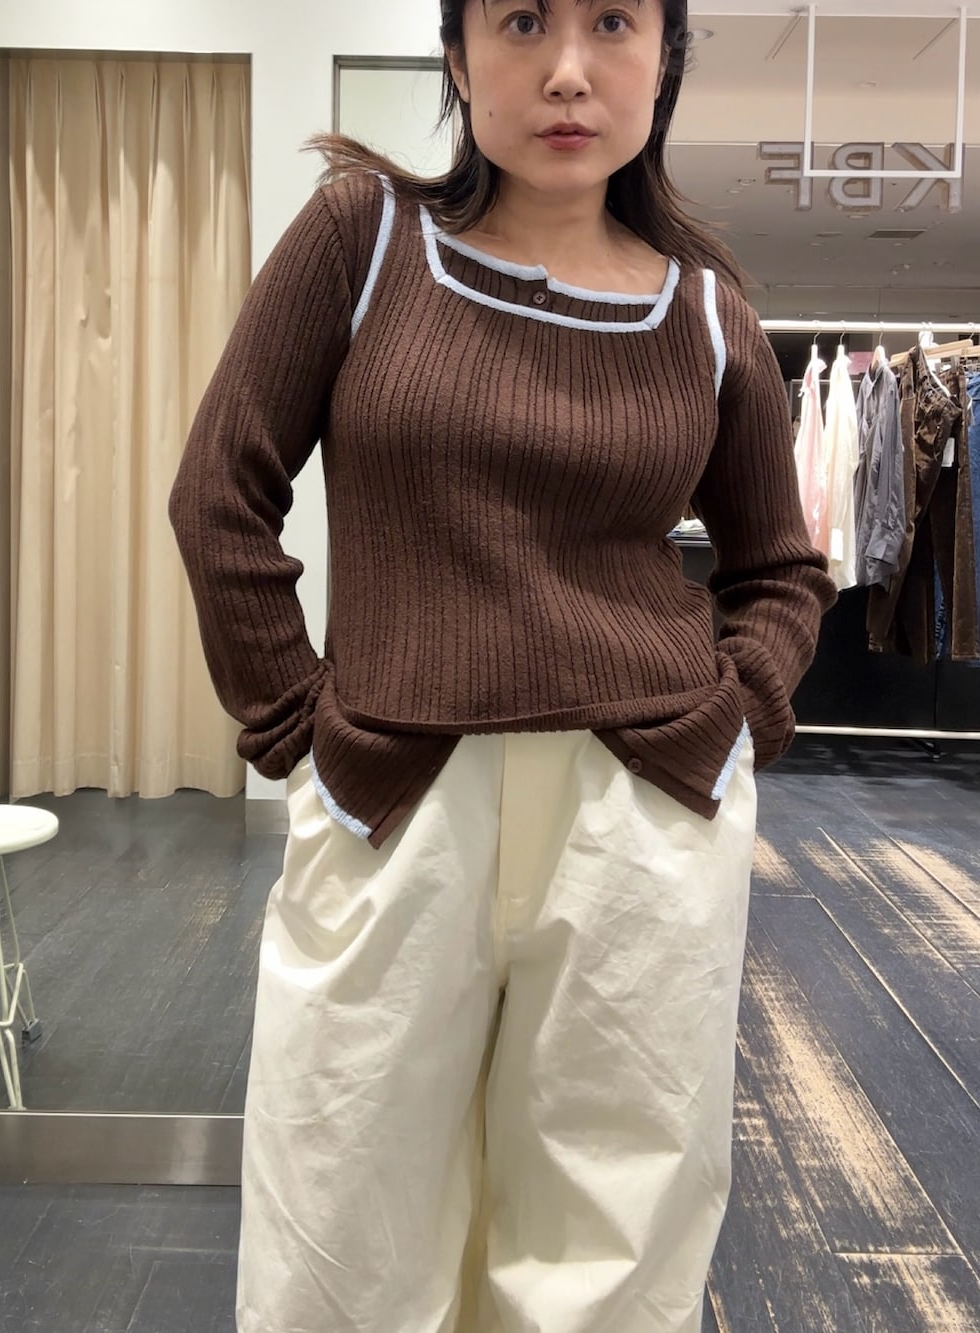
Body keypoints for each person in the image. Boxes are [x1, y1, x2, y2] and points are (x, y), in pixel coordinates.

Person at [169, 1, 837, 1329]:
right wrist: (298, 725)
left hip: (644, 814)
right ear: (459, 54)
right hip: (396, 798)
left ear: (666, 58)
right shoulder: (362, 239)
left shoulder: (707, 311)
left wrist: (734, 717)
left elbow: (780, 569)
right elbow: (220, 494)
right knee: (339, 1227)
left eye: (613, 22)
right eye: (524, 19)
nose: (569, 70)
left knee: (612, 1247)